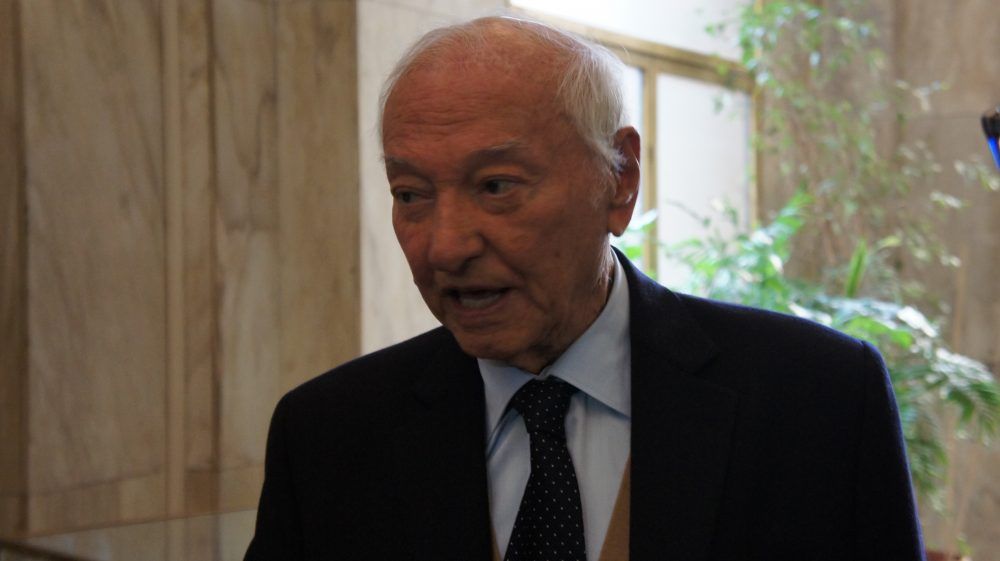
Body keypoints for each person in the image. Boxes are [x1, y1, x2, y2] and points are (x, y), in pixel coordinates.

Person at [245, 16, 925, 561]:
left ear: (619, 178)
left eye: (496, 186)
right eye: (411, 193)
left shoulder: (819, 400)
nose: (445, 246)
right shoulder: (329, 436)